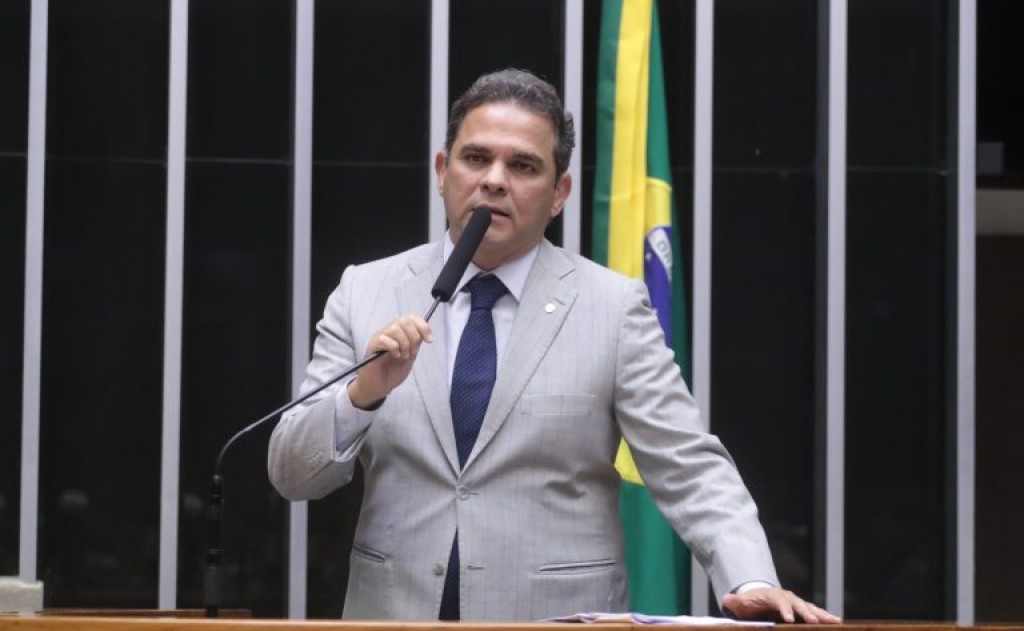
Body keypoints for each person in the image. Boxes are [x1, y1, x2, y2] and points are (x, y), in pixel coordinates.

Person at [268, 68, 839, 624]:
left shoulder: (612, 308)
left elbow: (688, 464)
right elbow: (292, 474)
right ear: (442, 171)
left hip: (556, 618)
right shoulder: (366, 290)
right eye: (476, 159)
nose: (494, 180)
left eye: (523, 166)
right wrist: (362, 396)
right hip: (395, 617)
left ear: (560, 192)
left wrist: (750, 581)